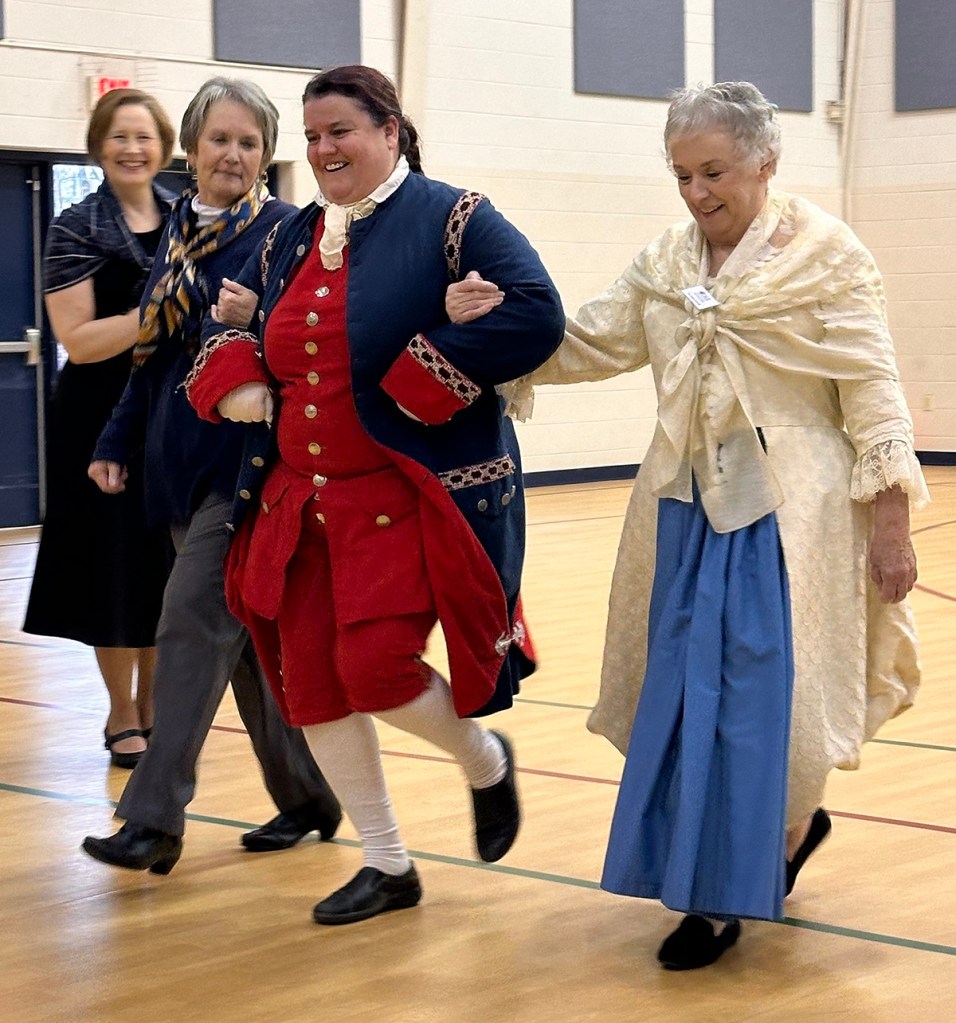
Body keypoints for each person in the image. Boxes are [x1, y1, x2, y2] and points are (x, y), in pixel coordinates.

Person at [447, 82, 927, 968]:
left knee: (762, 704)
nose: (698, 193)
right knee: (683, 699)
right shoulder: (667, 261)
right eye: (682, 175)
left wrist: (892, 522)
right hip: (685, 508)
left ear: (765, 163)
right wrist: (497, 327)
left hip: (792, 520)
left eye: (715, 172)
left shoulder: (829, 256)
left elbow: (873, 388)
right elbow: (586, 339)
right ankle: (714, 878)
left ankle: (758, 855)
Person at [183, 64, 565, 923]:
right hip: (299, 505)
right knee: (309, 684)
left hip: (403, 497)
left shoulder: (456, 218)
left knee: (377, 669)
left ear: (390, 130)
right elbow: (247, 329)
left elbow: (539, 311)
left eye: (340, 132)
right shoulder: (291, 235)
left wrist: (422, 373)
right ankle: (389, 865)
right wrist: (244, 374)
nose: (322, 151)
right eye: (312, 137)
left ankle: (484, 761)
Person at [81, 77, 340, 875]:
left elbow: (307, 340)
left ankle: (153, 819)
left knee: (191, 624)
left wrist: (249, 321)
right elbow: (152, 354)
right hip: (177, 473)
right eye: (221, 139)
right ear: (193, 148)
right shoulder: (178, 233)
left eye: (251, 143)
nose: (234, 155)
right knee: (250, 650)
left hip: (249, 474)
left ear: (267, 156)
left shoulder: (286, 232)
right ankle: (308, 797)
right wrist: (115, 439)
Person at [23, 89, 177, 769]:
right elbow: (79, 340)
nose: (132, 148)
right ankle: (122, 711)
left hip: (168, 416)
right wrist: (160, 315)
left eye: (144, 136)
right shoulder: (75, 225)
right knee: (113, 567)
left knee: (162, 566)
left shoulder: (185, 220)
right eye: (118, 136)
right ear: (98, 145)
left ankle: (155, 702)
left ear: (164, 146)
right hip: (95, 417)